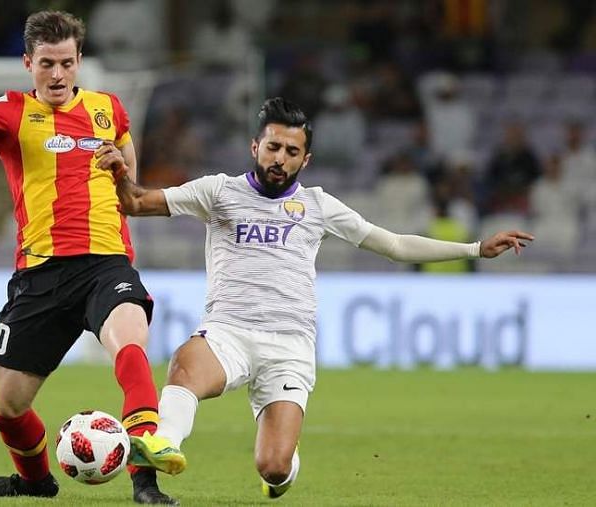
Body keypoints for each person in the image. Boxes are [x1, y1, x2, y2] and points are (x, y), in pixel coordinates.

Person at [111, 97, 533, 500]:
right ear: (255, 146)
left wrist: (475, 248)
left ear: (305, 159)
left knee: (273, 468)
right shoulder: (218, 191)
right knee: (185, 364)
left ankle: (284, 466)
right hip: (229, 332)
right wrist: (116, 172)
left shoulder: (318, 205)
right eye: (273, 147)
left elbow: (395, 245)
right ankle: (163, 442)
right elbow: (136, 202)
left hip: (289, 345)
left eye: (292, 151)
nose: (280, 158)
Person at [0, 10, 184, 504]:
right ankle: (35, 481)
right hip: (40, 274)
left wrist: (121, 171)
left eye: (67, 63)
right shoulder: (8, 112)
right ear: (28, 62)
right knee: (5, 407)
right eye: (47, 64)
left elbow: (131, 196)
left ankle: (147, 476)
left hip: (105, 262)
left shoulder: (109, 110)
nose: (58, 75)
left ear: (79, 62)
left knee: (129, 344)